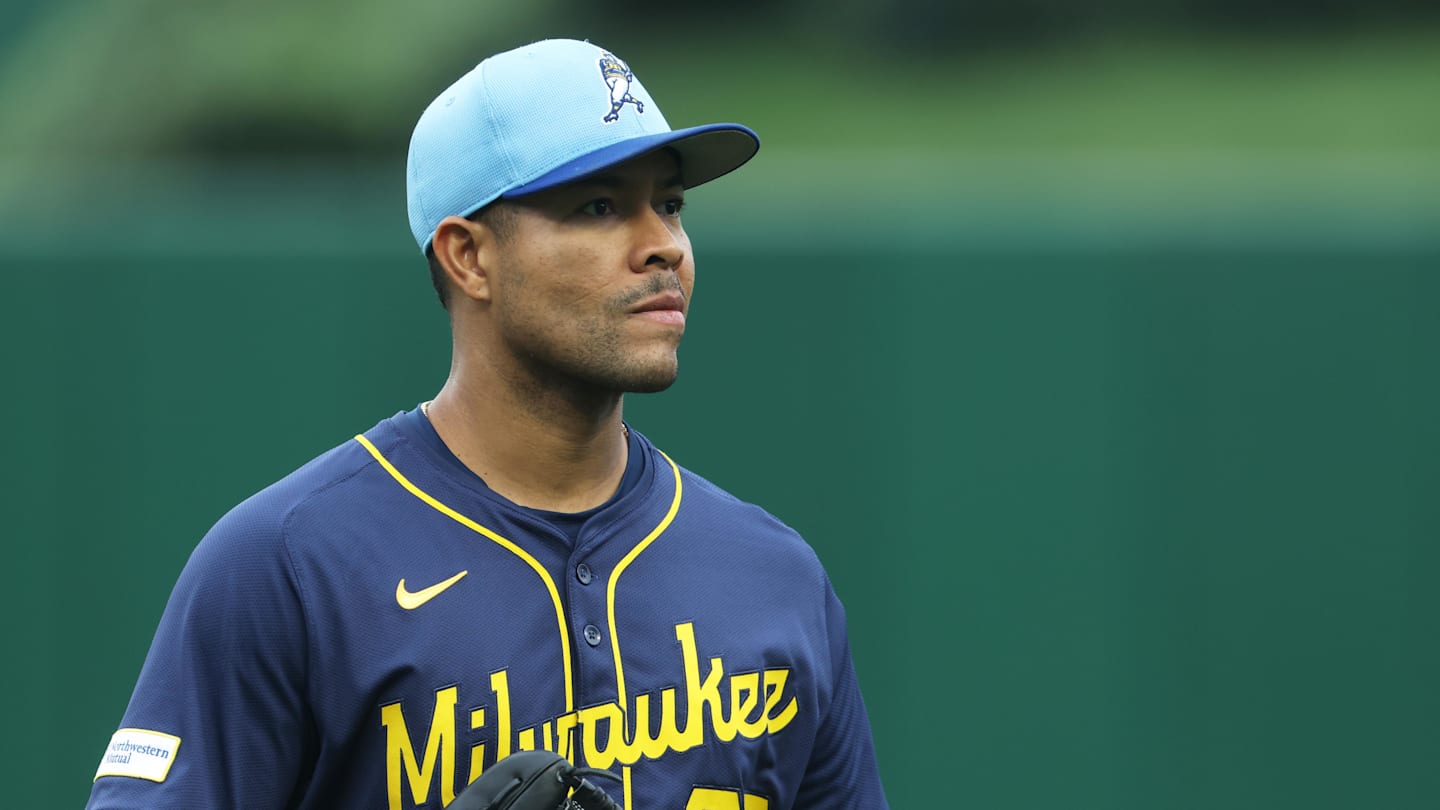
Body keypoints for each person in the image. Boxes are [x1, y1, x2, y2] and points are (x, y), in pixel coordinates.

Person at [86, 38, 889, 810]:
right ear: (469, 256)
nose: (663, 247)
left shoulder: (777, 579)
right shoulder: (287, 566)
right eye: (601, 206)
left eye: (670, 204)